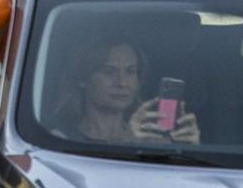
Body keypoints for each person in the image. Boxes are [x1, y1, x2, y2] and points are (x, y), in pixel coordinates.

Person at [48, 40, 200, 145]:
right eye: (109, 71)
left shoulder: (152, 137)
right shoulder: (62, 139)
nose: (122, 83)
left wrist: (189, 151)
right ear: (83, 78)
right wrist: (127, 143)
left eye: (130, 71)